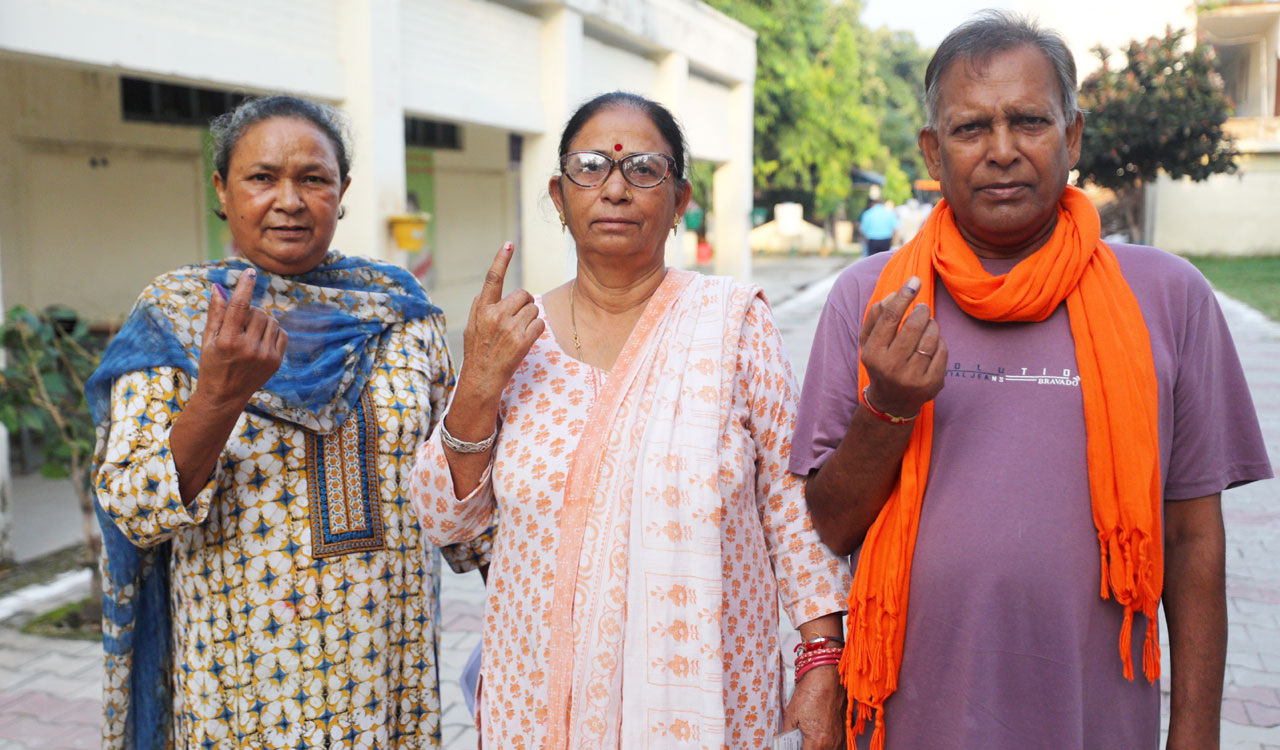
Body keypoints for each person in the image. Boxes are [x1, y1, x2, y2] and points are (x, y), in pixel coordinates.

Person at [791, 13, 1272, 750]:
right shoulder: (873, 298)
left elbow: (1192, 537)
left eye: (1029, 121)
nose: (1003, 151)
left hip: (1096, 719)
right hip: (909, 715)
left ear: (1073, 136)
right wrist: (886, 409)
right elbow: (829, 526)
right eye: (971, 128)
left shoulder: (1168, 297)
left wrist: (1197, 731)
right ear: (932, 149)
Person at [409, 91, 851, 749]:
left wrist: (822, 664)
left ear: (679, 201)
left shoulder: (734, 326)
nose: (615, 188)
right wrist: (477, 381)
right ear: (559, 197)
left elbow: (792, 507)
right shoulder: (513, 340)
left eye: (644, 169)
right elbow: (445, 519)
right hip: (537, 701)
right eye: (591, 167)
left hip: (706, 698)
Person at [86, 95, 490, 750]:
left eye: (313, 178)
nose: (290, 200)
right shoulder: (179, 319)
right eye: (262, 177)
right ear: (222, 188)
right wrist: (217, 395)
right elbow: (134, 510)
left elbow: (462, 509)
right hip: (241, 680)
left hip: (387, 668)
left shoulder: (401, 314)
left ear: (343, 191)